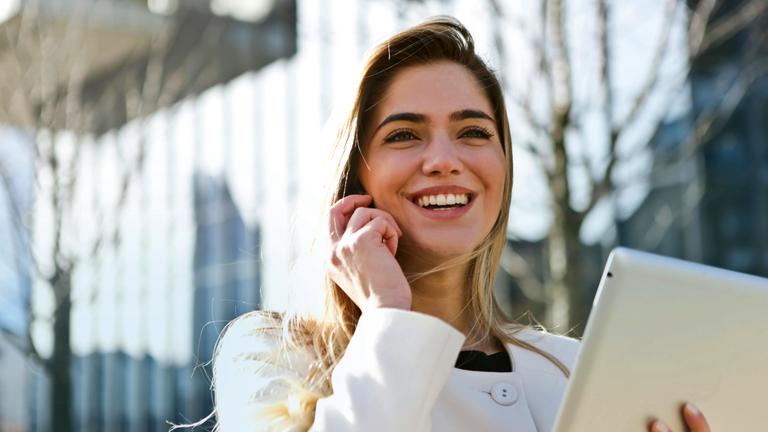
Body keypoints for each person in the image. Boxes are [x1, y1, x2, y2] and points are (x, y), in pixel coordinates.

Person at [212, 17, 711, 432]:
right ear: (354, 177)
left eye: (473, 131)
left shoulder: (573, 368)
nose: (444, 160)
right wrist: (389, 314)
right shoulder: (270, 357)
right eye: (405, 134)